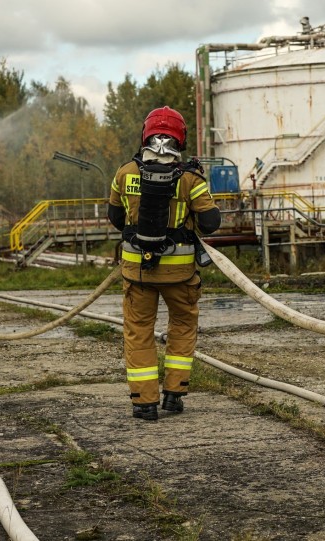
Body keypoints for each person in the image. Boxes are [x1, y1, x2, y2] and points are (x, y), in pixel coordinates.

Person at [107, 106, 221, 421]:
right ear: (180, 138)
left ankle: (144, 403)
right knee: (182, 327)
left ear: (145, 134)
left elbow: (115, 218)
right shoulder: (190, 178)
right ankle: (174, 395)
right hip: (180, 275)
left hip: (137, 273)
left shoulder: (124, 173)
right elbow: (211, 223)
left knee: (139, 332)